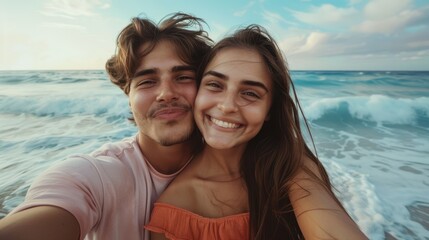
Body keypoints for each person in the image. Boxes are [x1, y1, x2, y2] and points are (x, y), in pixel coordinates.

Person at [0, 13, 212, 240]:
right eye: (147, 81)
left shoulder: (238, 165)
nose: (166, 93)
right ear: (128, 95)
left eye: (183, 77)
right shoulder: (95, 176)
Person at [145, 25, 369, 239]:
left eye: (250, 93)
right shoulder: (174, 208)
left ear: (270, 109)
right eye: (215, 85)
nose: (227, 105)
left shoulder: (289, 166)